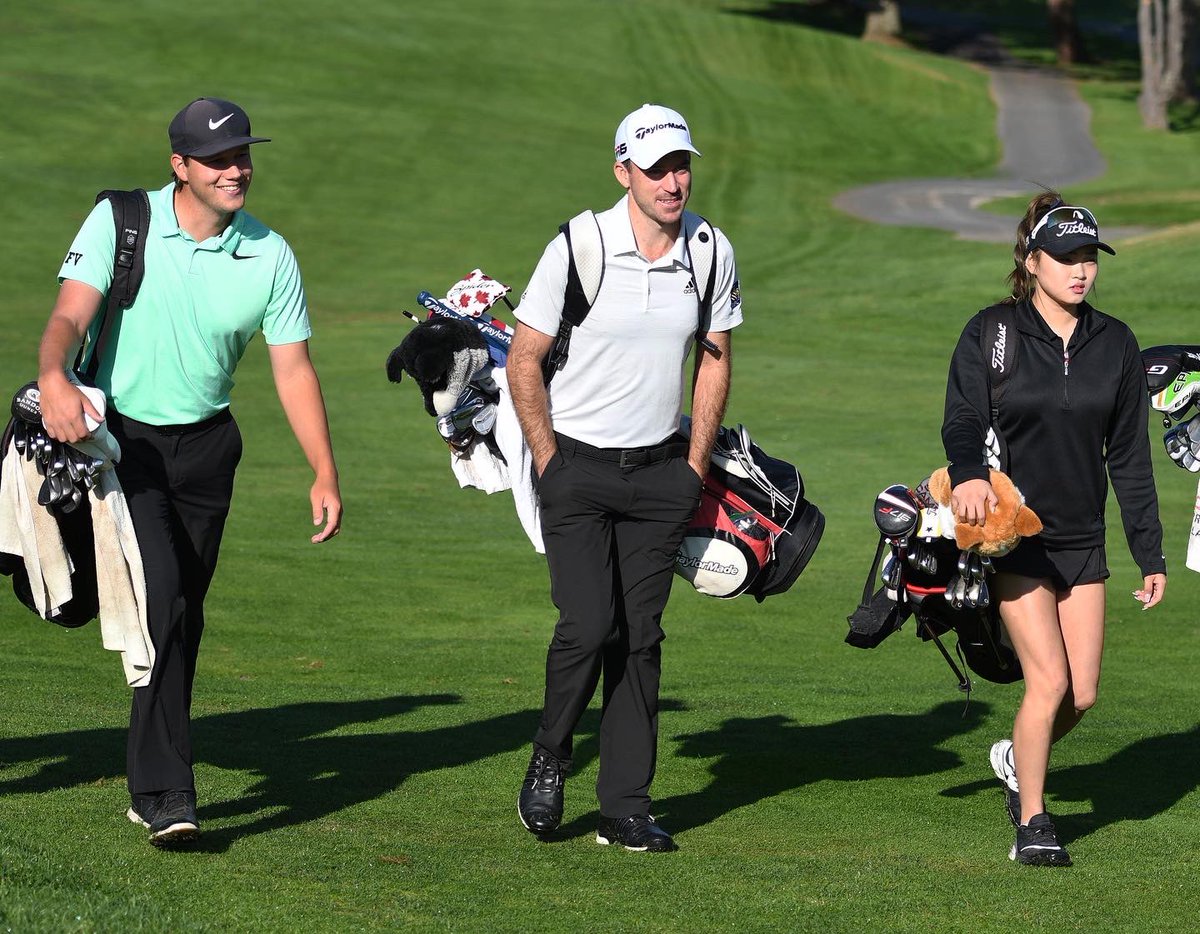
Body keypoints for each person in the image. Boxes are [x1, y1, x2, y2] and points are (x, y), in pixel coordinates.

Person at [36, 97, 343, 847]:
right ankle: (168, 793)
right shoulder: (122, 220)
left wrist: (324, 472)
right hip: (124, 446)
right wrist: (52, 375)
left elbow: (294, 369)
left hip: (208, 451)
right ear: (180, 166)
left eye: (243, 154)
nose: (236, 168)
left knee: (181, 617)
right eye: (218, 158)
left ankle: (152, 778)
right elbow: (71, 314)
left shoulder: (270, 253)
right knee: (165, 604)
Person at [506, 103, 741, 852]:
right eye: (658, 168)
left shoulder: (708, 250)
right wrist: (548, 462)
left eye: (682, 165)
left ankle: (625, 807)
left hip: (659, 476)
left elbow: (714, 357)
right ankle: (551, 755)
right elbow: (523, 357)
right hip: (575, 468)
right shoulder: (581, 244)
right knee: (587, 626)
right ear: (623, 171)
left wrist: (694, 467)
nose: (675, 181)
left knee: (640, 638)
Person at [942, 191, 1166, 867]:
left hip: (1082, 540)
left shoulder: (1116, 344)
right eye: (1065, 257)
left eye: (1089, 257)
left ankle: (1016, 755)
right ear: (1032, 261)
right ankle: (1035, 822)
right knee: (1048, 684)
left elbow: (1127, 455)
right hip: (1018, 539)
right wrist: (968, 472)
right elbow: (961, 417)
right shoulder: (994, 333)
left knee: (1084, 692)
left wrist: (1148, 552)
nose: (1080, 270)